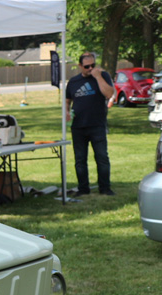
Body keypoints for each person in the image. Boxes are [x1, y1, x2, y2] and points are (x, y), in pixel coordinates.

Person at [65, 52, 115, 196]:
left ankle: (105, 188)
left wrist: (98, 76)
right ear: (80, 66)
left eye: (93, 65)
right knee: (80, 159)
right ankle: (83, 189)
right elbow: (67, 100)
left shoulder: (102, 76)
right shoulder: (73, 81)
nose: (90, 68)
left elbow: (108, 94)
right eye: (87, 66)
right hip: (78, 126)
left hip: (97, 124)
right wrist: (66, 112)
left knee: (102, 157)